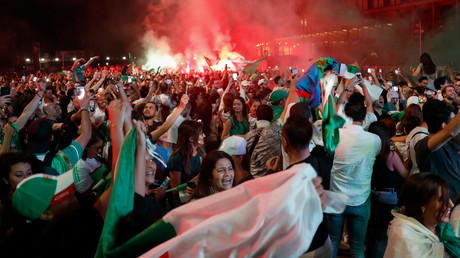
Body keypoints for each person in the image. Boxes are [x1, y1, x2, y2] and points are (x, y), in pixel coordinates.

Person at [328, 90, 381, 258]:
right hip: (360, 201)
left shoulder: (335, 135)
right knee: (357, 248)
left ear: (347, 116)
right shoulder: (374, 140)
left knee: (333, 244)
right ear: (364, 118)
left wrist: (344, 89)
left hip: (336, 199)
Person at [279, 115, 333, 257]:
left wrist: (272, 173)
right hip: (324, 240)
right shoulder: (324, 157)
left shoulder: (288, 177)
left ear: (285, 141)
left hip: (305, 248)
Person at [385, 173, 456, 257]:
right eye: (441, 200)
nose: (451, 204)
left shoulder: (443, 228)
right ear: (422, 204)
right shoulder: (405, 238)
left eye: (448, 197)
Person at [366, 121, 408, 258]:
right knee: (382, 235)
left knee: (371, 232)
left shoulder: (367, 152)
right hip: (387, 196)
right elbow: (405, 174)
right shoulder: (389, 154)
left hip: (369, 194)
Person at [415, 99, 460, 200]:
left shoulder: (450, 143)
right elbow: (450, 132)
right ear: (444, 125)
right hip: (440, 205)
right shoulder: (423, 146)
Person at [167, 120, 206, 190]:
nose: (204, 135)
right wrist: (195, 179)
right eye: (201, 134)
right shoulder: (177, 158)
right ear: (191, 138)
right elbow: (175, 190)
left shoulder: (201, 150)